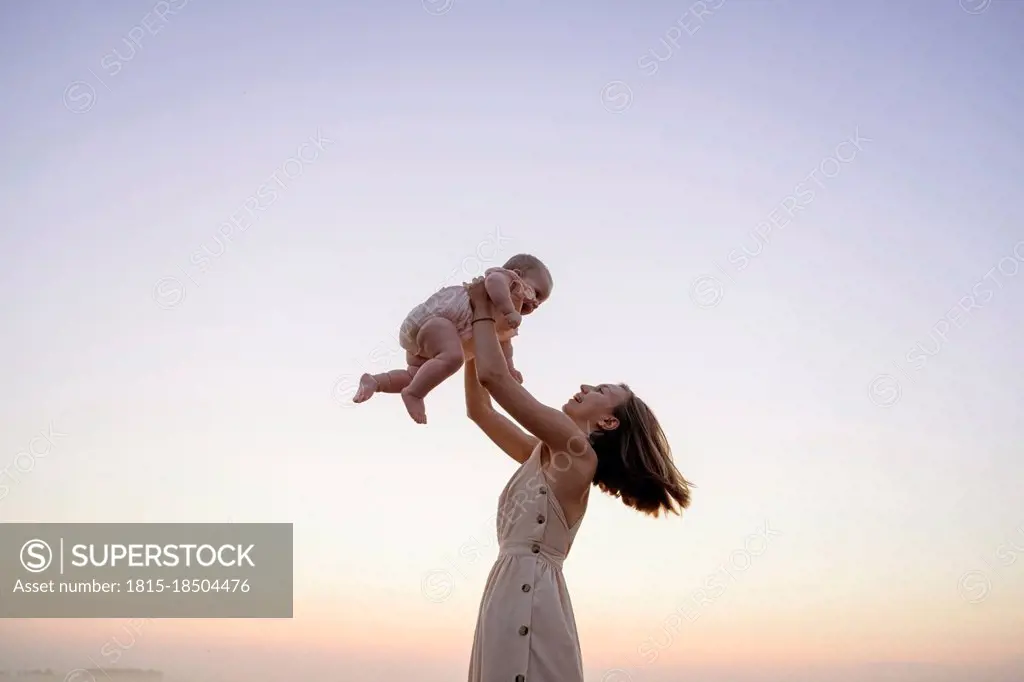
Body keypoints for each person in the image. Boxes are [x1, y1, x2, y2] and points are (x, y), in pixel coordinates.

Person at [461, 276, 692, 682]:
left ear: (607, 420)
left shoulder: (576, 452)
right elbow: (480, 410)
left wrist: (482, 307)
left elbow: (496, 381)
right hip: (509, 589)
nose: (585, 386)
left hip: (529, 593)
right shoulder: (544, 453)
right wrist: (472, 343)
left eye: (600, 389)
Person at [351, 253, 553, 424]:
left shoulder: (504, 324)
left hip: (434, 337)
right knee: (453, 358)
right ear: (517, 275)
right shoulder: (506, 281)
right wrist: (509, 310)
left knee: (418, 375)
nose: (536, 304)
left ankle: (375, 382)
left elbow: (505, 346)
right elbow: (493, 282)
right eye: (537, 293)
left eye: (541, 303)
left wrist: (509, 368)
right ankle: (414, 394)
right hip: (441, 320)